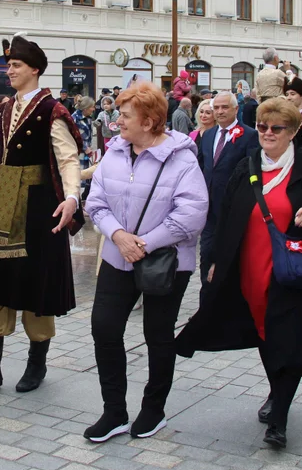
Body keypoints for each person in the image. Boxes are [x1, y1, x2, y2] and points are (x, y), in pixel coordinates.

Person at [176, 98, 302, 450]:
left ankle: (279, 417)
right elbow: (225, 216)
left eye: (277, 128)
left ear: (293, 131)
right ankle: (276, 390)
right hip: (251, 267)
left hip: (293, 270)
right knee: (266, 334)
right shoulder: (247, 165)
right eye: (264, 126)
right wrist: (217, 262)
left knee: (290, 336)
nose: (268, 133)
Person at [0, 35, 83, 398]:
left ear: (34, 69)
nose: (10, 71)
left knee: (36, 286)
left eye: (16, 66)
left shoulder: (52, 110)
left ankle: (36, 363)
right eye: (8, 65)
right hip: (2, 205)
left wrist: (71, 197)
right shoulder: (3, 110)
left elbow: (68, 159)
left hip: (39, 210)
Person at [83, 82, 208, 442]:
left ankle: (153, 410)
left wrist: (146, 243)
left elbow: (193, 213)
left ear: (150, 121)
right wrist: (119, 236)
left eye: (125, 115)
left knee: (157, 334)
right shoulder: (115, 152)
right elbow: (96, 202)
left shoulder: (182, 158)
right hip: (117, 255)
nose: (116, 121)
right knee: (104, 328)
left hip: (165, 261)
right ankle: (114, 412)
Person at [197, 91, 258, 287]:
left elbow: (251, 172)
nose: (220, 112)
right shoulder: (208, 135)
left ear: (236, 109)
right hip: (208, 209)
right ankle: (205, 304)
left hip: (233, 209)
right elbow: (201, 167)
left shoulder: (249, 136)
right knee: (206, 254)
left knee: (230, 257)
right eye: (217, 108)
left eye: (225, 107)